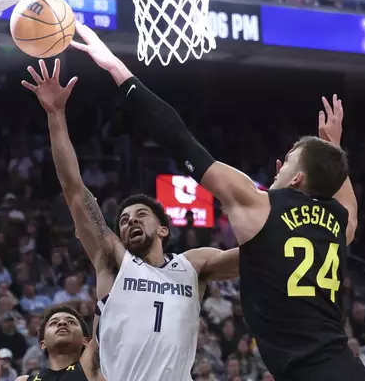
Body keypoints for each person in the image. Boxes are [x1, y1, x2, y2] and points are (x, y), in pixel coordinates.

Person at [70, 22, 365, 381]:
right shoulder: (339, 223)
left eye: (288, 159)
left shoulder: (261, 207)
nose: (280, 165)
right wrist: (332, 150)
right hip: (345, 366)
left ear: (298, 177)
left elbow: (179, 139)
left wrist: (117, 69)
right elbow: (348, 204)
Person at [21, 58, 239, 381]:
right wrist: (55, 115)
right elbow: (74, 190)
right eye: (123, 220)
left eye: (140, 215)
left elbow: (257, 256)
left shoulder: (193, 265)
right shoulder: (114, 260)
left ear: (163, 228)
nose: (130, 222)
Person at [0, 306, 103, 381]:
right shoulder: (24, 380)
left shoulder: (93, 370)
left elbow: (104, 293)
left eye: (71, 322)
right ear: (43, 343)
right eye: (54, 323)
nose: (62, 323)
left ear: (85, 341)